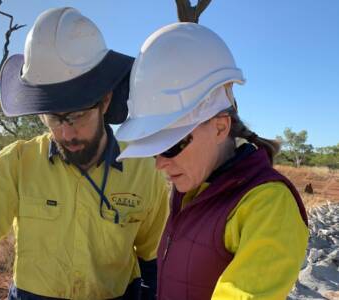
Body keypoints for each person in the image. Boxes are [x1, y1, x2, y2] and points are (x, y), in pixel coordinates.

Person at [0, 8, 169, 300]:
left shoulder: (144, 172)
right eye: (54, 117)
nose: (66, 133)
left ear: (105, 99)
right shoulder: (17, 163)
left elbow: (154, 261)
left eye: (77, 115)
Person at [116, 23, 309, 300]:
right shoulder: (193, 187)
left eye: (170, 146)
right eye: (153, 149)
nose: (159, 164)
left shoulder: (268, 206)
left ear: (220, 127)